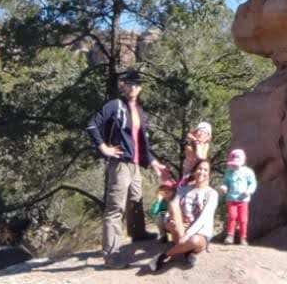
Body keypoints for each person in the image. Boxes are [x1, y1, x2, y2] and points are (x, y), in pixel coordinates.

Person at [86, 69, 166, 269]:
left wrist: (154, 162)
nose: (133, 87)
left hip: (135, 165)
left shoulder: (139, 111)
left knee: (136, 200)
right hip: (120, 164)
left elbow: (142, 143)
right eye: (129, 84)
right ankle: (111, 254)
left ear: (141, 88)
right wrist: (103, 147)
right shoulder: (115, 106)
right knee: (115, 208)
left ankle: (138, 233)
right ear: (123, 85)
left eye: (136, 84)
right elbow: (92, 125)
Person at [149, 159, 218, 272]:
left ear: (209, 174)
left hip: (200, 232)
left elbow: (204, 218)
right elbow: (172, 208)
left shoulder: (212, 194)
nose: (202, 172)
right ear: (194, 171)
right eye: (199, 168)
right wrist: (169, 220)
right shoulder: (182, 190)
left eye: (206, 170)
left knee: (194, 241)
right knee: (172, 205)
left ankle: (163, 256)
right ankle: (187, 252)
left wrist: (188, 235)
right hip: (182, 228)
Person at [219, 148, 257, 245]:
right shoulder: (229, 172)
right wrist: (224, 187)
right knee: (232, 216)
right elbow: (225, 182)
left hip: (243, 200)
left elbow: (252, 183)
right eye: (232, 164)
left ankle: (243, 237)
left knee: (243, 219)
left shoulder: (248, 172)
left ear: (243, 161)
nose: (234, 166)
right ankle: (230, 235)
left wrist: (249, 191)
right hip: (231, 198)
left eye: (236, 163)